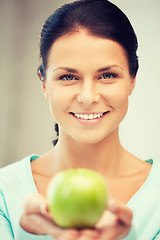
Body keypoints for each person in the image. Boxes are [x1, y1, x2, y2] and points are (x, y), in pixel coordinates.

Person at [1, 0, 160, 239]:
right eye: (67, 77)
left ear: (132, 79)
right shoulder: (4, 192)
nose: (88, 97)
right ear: (44, 84)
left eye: (107, 75)